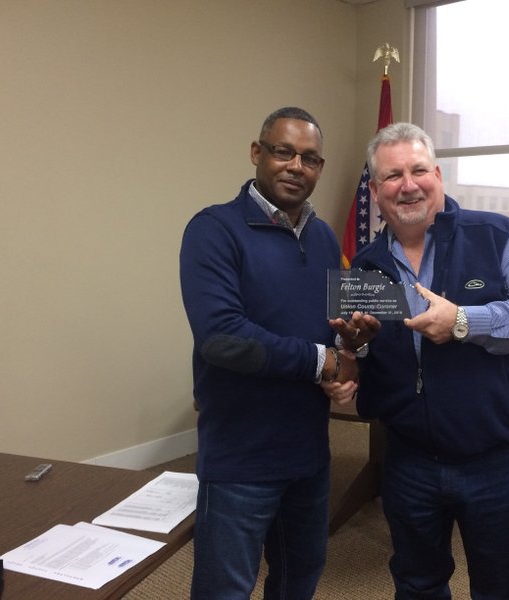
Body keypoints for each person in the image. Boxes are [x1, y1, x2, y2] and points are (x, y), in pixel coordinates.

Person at [332, 122, 509, 600]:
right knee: (418, 583)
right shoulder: (363, 267)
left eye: (418, 169)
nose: (408, 184)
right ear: (376, 192)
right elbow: (359, 350)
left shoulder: (497, 236)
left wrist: (465, 321)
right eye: (392, 176)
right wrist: (352, 354)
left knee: (502, 585)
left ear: (438, 176)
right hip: (407, 461)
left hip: (492, 459)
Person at [179, 106, 356, 600]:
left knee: (299, 579)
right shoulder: (213, 230)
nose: (297, 166)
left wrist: (343, 361)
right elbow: (222, 338)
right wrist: (320, 360)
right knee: (225, 589)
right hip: (241, 459)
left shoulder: (322, 238)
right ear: (258, 153)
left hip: (309, 455)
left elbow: (335, 332)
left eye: (311, 159)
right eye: (284, 152)